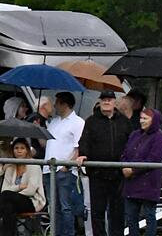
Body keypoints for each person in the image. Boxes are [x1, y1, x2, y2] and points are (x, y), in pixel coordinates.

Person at [76, 90, 134, 236]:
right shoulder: (91, 121)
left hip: (118, 175)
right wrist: (83, 155)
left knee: (117, 213)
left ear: (115, 102)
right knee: (97, 212)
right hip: (98, 174)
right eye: (103, 99)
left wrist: (129, 162)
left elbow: (131, 144)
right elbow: (84, 141)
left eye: (109, 99)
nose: (106, 102)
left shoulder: (124, 122)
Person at [43, 91, 86, 236]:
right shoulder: (54, 122)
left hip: (64, 171)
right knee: (53, 207)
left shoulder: (78, 122)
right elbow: (46, 144)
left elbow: (78, 147)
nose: (54, 106)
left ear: (64, 104)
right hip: (48, 170)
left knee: (65, 207)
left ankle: (67, 234)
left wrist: (66, 166)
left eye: (57, 102)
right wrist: (38, 129)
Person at [121, 108, 162, 236]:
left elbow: (154, 158)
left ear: (154, 120)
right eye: (141, 118)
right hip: (131, 183)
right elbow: (125, 152)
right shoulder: (135, 134)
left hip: (149, 183)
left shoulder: (160, 137)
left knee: (149, 216)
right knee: (131, 218)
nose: (142, 121)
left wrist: (133, 170)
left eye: (145, 118)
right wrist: (124, 166)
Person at [0, 138, 46, 236]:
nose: (19, 150)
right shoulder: (10, 166)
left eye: (22, 148)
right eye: (16, 148)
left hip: (31, 201)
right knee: (8, 207)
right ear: (13, 151)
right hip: (10, 201)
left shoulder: (34, 165)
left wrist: (12, 193)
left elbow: (30, 190)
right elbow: (4, 189)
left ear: (27, 151)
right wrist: (19, 187)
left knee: (6, 198)